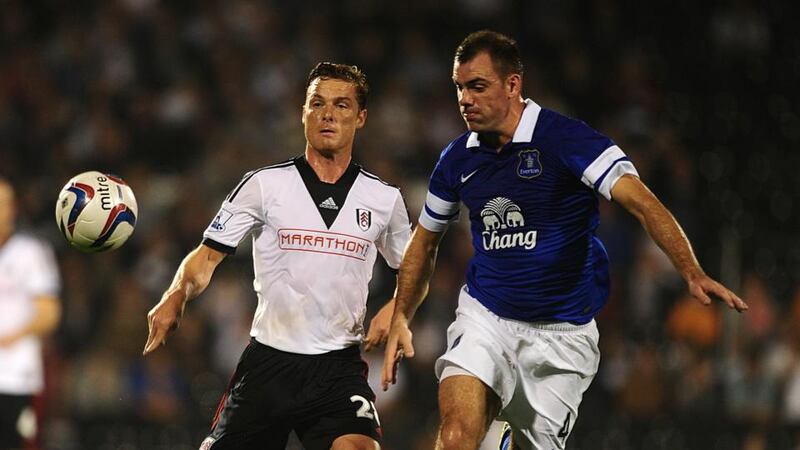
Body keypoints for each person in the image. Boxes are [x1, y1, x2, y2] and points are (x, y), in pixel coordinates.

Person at [381, 30, 749, 450]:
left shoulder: (567, 140)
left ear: (513, 84)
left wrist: (691, 270)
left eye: (477, 86)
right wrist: (401, 316)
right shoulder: (457, 158)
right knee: (456, 435)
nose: (465, 99)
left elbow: (642, 202)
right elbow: (425, 242)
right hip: (487, 317)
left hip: (561, 336)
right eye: (460, 88)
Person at [143, 62, 411, 450]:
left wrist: (398, 308)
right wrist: (176, 294)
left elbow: (414, 268)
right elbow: (206, 257)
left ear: (361, 117)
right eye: (316, 103)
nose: (328, 114)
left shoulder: (385, 199)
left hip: (338, 369)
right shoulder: (264, 185)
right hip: (269, 365)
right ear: (303, 112)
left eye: (341, 105)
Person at [0, 178, 62, 450]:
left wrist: (10, 336)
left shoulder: (31, 253)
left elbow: (50, 314)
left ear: (12, 209)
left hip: (15, 375)